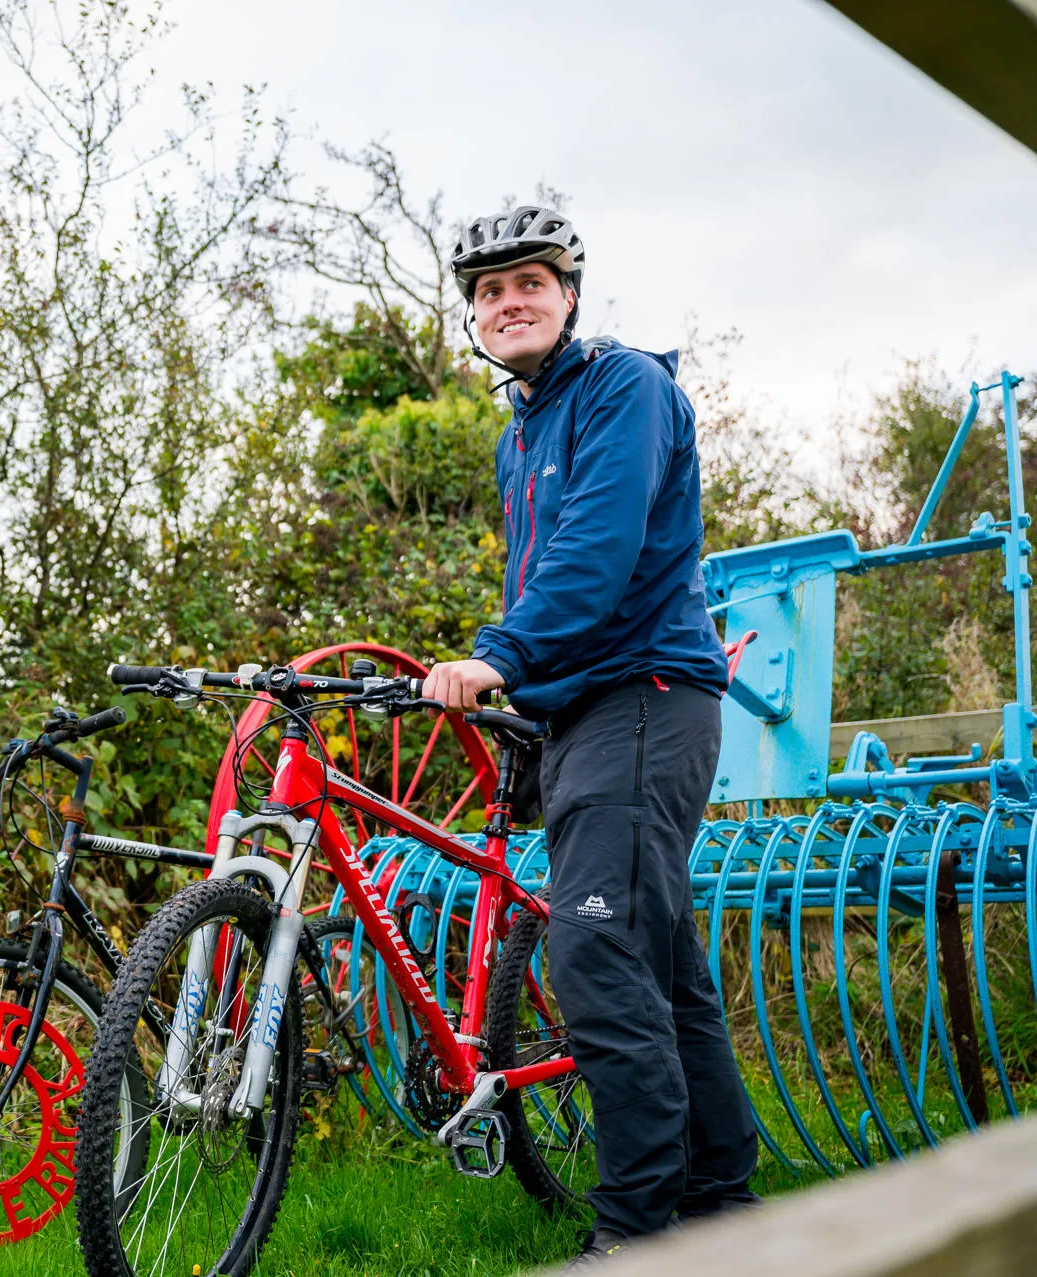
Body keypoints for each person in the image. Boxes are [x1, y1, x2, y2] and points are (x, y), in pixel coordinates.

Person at [419, 205, 760, 1266]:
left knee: (599, 952)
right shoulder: (518, 428)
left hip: (647, 695)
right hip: (583, 711)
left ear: (569, 293)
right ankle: (720, 1199)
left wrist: (499, 656)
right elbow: (549, 577)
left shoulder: (625, 390)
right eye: (486, 291)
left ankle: (634, 1231)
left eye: (527, 281)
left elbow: (598, 553)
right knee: (656, 961)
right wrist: (525, 694)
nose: (506, 302)